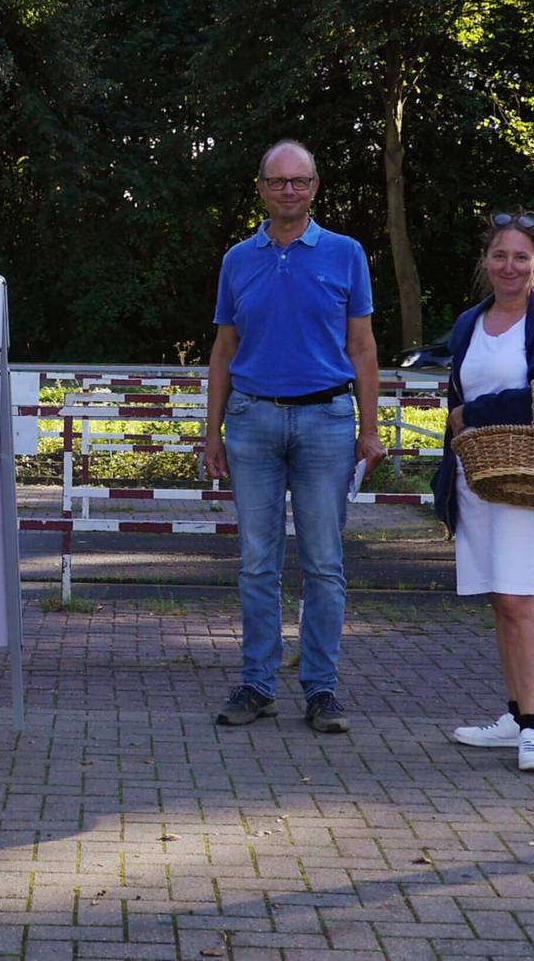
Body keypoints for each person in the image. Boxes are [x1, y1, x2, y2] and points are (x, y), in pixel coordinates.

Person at [204, 140, 387, 734]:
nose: (289, 190)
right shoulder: (237, 258)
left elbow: (362, 346)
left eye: (299, 181)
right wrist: (212, 433)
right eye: (278, 181)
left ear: (314, 187)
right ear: (260, 187)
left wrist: (371, 427)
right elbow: (224, 350)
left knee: (324, 563)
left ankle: (321, 689)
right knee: (257, 563)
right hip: (252, 421)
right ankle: (257, 685)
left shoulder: (347, 253)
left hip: (326, 421)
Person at [431, 211, 534, 774]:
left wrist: (475, 413)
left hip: (528, 479)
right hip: (479, 480)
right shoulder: (470, 321)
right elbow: (455, 392)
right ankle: (516, 717)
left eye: (521, 256)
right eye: (500, 255)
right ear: (486, 262)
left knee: (521, 598)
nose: (509, 266)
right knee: (500, 598)